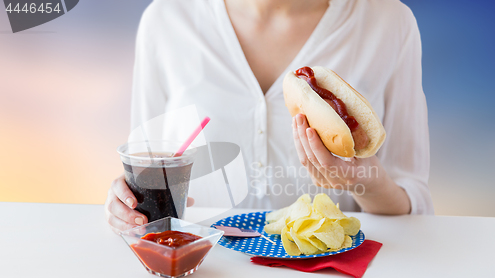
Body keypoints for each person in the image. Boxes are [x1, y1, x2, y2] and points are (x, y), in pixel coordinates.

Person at [105, 0, 434, 233]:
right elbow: (145, 167)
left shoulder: (389, 22)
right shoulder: (166, 20)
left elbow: (413, 199)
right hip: (203, 277)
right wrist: (128, 205)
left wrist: (364, 183)